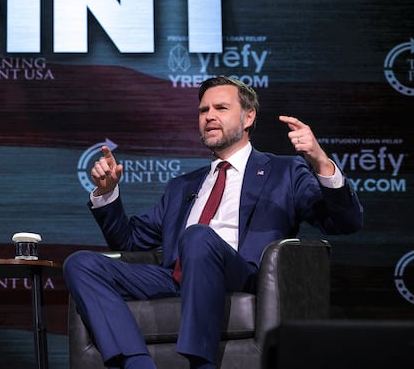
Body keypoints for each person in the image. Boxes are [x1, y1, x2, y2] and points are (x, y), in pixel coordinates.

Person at [63, 76, 363, 369]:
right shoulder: (183, 185)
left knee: (197, 237)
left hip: (239, 272)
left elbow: (344, 222)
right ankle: (137, 362)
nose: (209, 117)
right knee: (80, 263)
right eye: (203, 110)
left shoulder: (284, 171)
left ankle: (201, 362)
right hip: (176, 276)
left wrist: (321, 161)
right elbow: (127, 243)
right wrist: (107, 192)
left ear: (248, 117)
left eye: (221, 108)